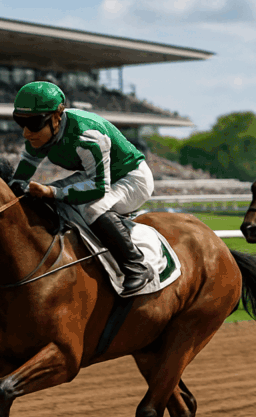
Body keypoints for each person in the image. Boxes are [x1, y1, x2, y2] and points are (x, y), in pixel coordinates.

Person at [9, 81, 154, 294]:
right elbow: (21, 176)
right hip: (95, 176)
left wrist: (52, 192)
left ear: (57, 116)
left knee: (92, 208)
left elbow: (97, 188)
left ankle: (137, 267)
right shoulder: (39, 134)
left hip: (131, 178)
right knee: (43, 196)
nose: (26, 133)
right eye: (20, 123)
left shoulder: (87, 136)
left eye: (33, 124)